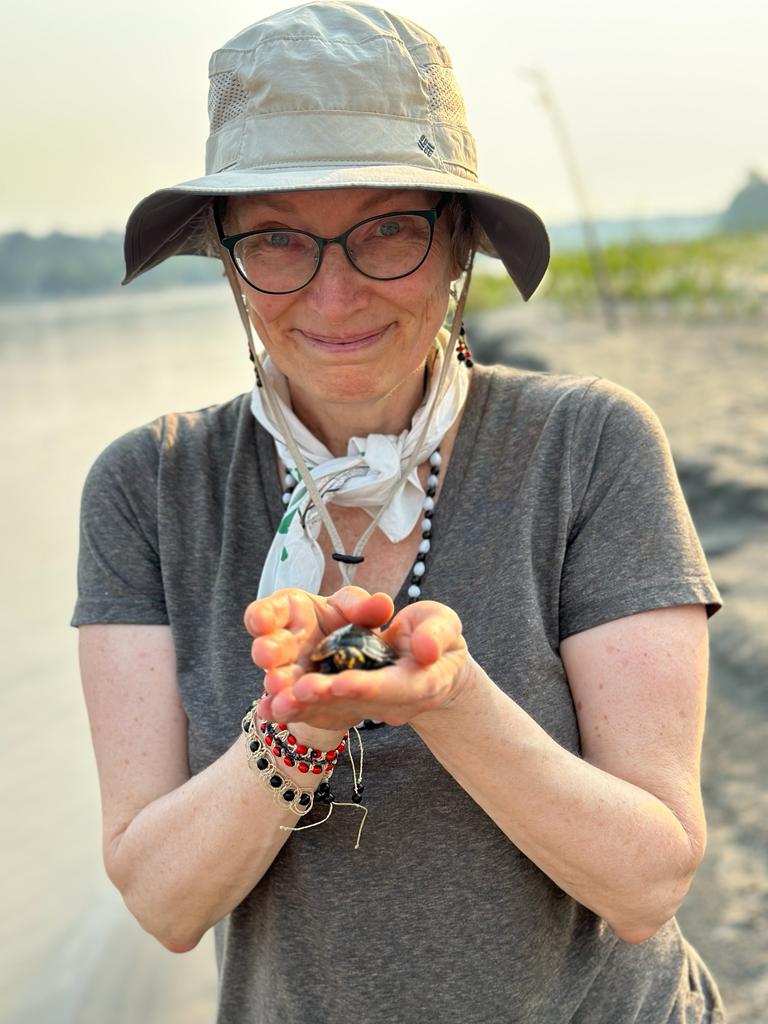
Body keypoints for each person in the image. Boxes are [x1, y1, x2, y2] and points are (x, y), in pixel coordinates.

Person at [73, 3, 727, 1022]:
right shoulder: (149, 488)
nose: (333, 296)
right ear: (230, 263)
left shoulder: (588, 446)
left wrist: (448, 699)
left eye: (388, 229)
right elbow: (162, 900)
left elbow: (647, 882)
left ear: (459, 242)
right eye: (280, 242)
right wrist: (296, 730)